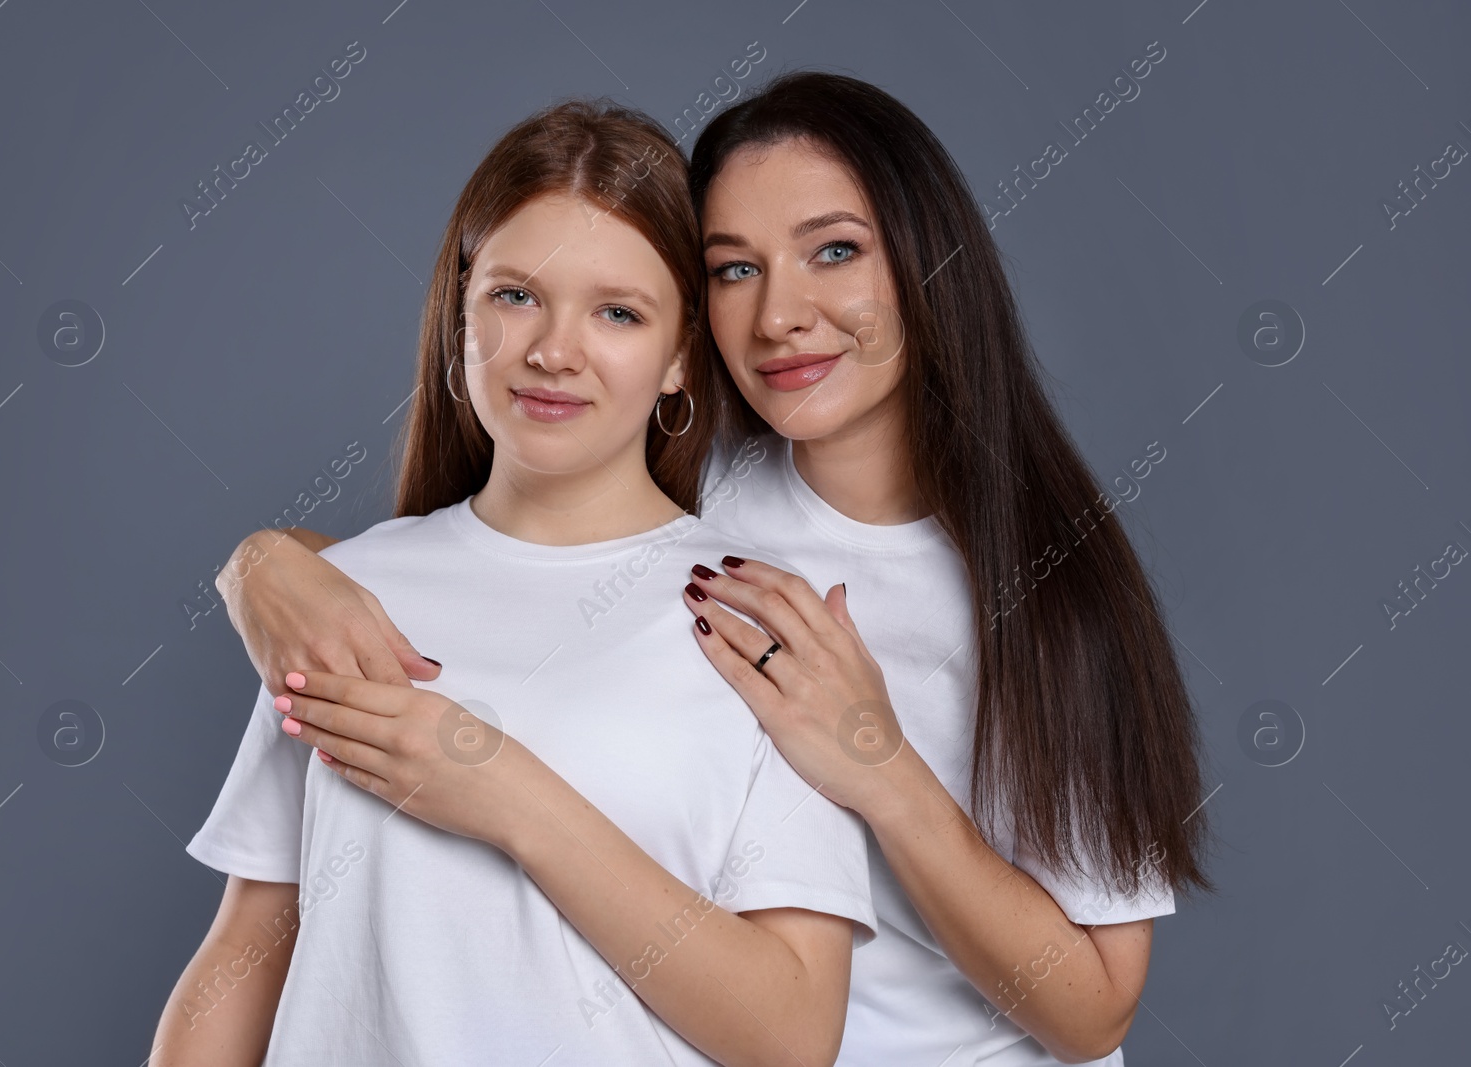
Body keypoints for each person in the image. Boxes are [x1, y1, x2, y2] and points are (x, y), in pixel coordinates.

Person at [208, 72, 1214, 1066]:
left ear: (927, 261)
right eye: (735, 268)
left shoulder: (1042, 588)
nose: (780, 314)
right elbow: (483, 569)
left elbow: (1092, 1012)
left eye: (834, 251)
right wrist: (264, 567)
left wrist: (876, 767)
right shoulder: (703, 496)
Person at [150, 99, 878, 1067]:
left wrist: (503, 790)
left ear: (677, 358)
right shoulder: (342, 596)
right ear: (460, 316)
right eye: (514, 296)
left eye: (617, 312)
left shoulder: (752, 615)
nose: (552, 350)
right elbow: (249, 944)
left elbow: (790, 1033)